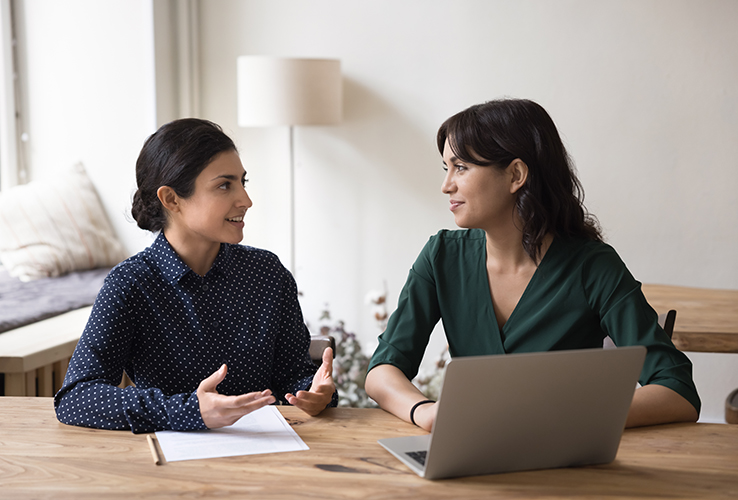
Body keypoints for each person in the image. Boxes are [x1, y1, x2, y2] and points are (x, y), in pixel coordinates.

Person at [365, 98, 700, 431]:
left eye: (461, 168)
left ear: (515, 175)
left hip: (563, 464)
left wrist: (565, 418)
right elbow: (382, 370)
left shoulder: (592, 267)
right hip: (468, 458)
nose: (446, 185)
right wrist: (425, 412)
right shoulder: (441, 256)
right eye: (446, 168)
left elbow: (677, 391)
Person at [55, 118, 336, 433]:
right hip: (173, 465)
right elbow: (76, 397)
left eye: (243, 182)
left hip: (268, 455)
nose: (246, 200)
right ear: (172, 199)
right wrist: (188, 410)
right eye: (224, 185)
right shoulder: (130, 285)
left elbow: (294, 376)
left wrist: (315, 392)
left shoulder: (267, 273)